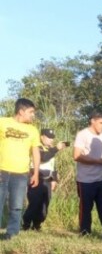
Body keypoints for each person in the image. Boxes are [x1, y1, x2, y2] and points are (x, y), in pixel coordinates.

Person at [73, 109, 102, 241]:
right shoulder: (82, 135)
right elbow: (76, 156)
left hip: (101, 179)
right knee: (85, 209)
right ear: (92, 121)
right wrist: (97, 161)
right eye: (101, 123)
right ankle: (85, 234)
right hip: (85, 180)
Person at [0, 98, 41, 240]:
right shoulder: (3, 122)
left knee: (17, 206)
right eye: (31, 112)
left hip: (21, 174)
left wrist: (35, 173)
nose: (33, 115)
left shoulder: (33, 130)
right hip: (2, 171)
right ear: (21, 111)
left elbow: (35, 151)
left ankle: (11, 234)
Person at [22, 128, 68, 231]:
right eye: (48, 137)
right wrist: (56, 149)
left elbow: (52, 166)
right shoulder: (37, 147)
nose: (51, 140)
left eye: (52, 138)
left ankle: (37, 225)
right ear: (41, 136)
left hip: (47, 181)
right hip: (36, 178)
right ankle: (26, 224)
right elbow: (43, 158)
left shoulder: (50, 149)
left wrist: (54, 179)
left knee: (44, 205)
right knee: (34, 203)